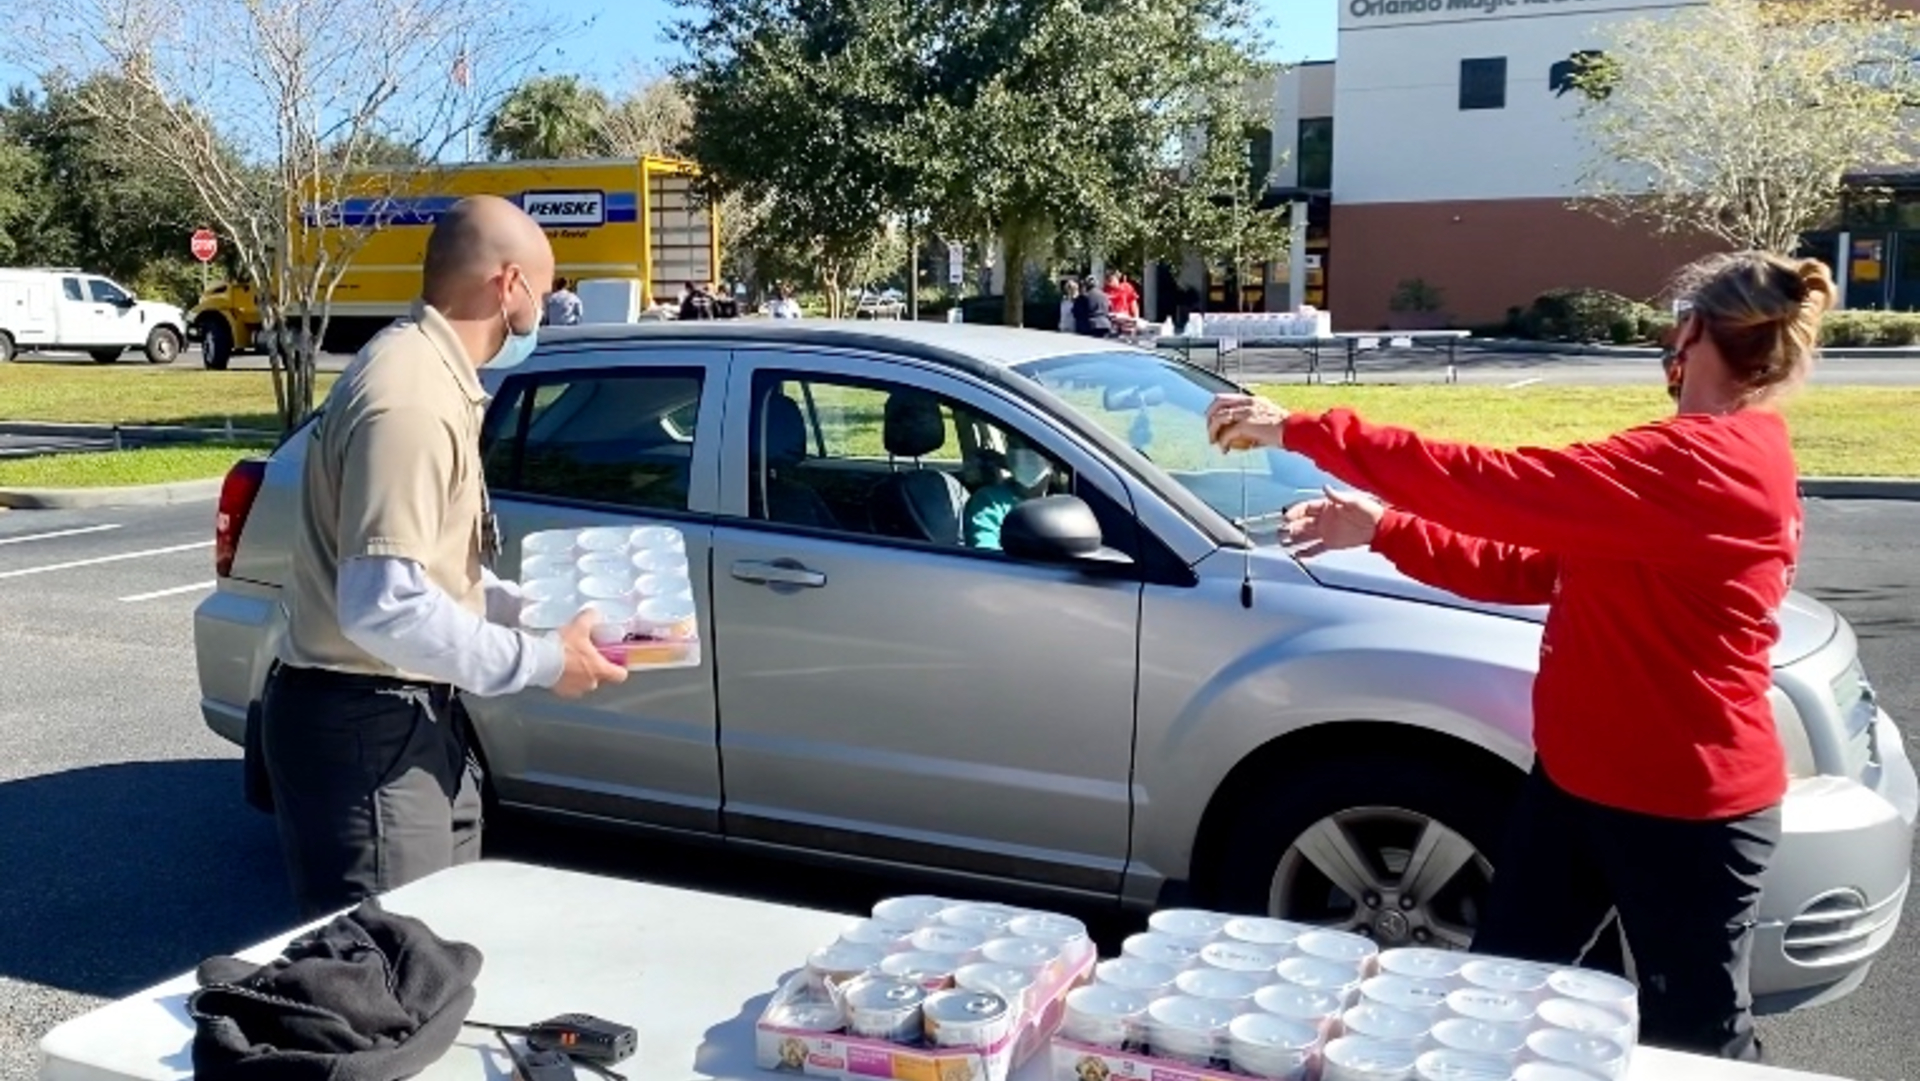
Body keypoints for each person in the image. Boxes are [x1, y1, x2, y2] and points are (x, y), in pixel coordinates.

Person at [1205, 250, 1831, 1063]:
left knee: (1696, 1041)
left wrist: (1299, 429)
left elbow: (1493, 481)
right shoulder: (1683, 462)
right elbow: (1530, 564)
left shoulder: (1708, 464)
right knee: (1506, 994)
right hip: (1578, 784)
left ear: (1693, 331)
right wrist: (1384, 528)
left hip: (1686, 811)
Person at [262, 195, 629, 919]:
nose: (548, 311)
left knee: (438, 951)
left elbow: (431, 568)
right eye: (548, 291)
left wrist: (533, 615)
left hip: (407, 716)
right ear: (509, 285)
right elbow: (383, 603)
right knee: (390, 973)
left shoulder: (431, 373)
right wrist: (545, 663)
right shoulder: (412, 398)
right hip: (366, 725)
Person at [963, 438, 1055, 550]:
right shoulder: (989, 501)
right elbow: (987, 555)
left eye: (1031, 445)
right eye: (1014, 444)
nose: (1021, 454)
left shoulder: (1069, 492)